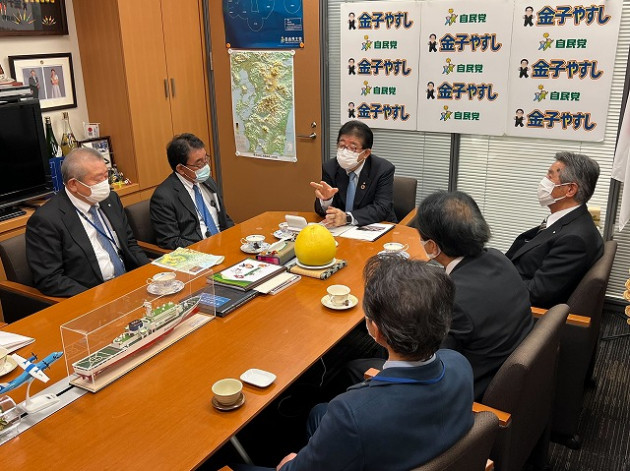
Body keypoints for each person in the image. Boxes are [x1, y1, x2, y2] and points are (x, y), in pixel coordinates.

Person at [237, 256, 474, 471]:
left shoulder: (350, 415)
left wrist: (290, 465)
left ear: (375, 331)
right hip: (423, 444)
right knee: (318, 413)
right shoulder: (459, 364)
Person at [413, 191, 534, 400]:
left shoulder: (452, 299)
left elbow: (431, 366)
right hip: (509, 368)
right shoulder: (498, 257)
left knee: (357, 367)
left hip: (471, 391)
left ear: (432, 246)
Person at [26, 148, 149, 297]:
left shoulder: (111, 199)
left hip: (128, 283)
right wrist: (95, 298)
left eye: (106, 176)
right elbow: (50, 279)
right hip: (92, 295)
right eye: (97, 180)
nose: (105, 184)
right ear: (73, 184)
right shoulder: (46, 220)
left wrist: (151, 271)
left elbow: (129, 243)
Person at [506, 151, 604, 308]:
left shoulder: (575, 240)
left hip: (515, 309)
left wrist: (494, 281)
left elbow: (535, 294)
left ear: (570, 190)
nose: (543, 181)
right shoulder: (568, 220)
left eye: (550, 177)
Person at [150, 133, 233, 249]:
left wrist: (235, 237)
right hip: (199, 252)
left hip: (225, 243)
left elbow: (224, 218)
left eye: (206, 159)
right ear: (181, 169)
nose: (205, 166)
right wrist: (206, 248)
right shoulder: (164, 197)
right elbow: (170, 241)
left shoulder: (208, 182)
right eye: (199, 163)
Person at [310, 120, 396, 227]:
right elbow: (321, 211)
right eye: (342, 146)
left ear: (366, 153)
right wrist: (327, 200)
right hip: (341, 229)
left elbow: (382, 208)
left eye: (353, 148)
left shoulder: (383, 169)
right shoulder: (330, 167)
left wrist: (347, 218)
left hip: (376, 227)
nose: (345, 152)